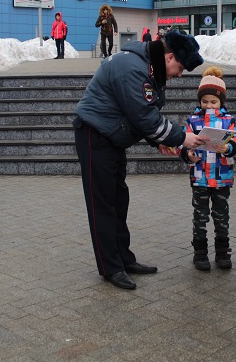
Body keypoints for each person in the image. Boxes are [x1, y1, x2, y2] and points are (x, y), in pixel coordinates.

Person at [73, 29, 207, 290]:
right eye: (180, 68)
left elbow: (143, 116)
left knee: (118, 200)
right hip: (95, 136)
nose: (180, 74)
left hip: (111, 137)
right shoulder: (133, 68)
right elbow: (145, 117)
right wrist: (183, 138)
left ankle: (123, 259)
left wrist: (164, 142)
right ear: (169, 57)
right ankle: (110, 267)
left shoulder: (148, 66)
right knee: (103, 205)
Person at [179, 66, 236, 271]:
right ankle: (200, 254)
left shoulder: (229, 120)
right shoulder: (192, 121)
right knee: (200, 217)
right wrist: (188, 154)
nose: (208, 105)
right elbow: (182, 143)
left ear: (221, 101)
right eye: (204, 101)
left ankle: (223, 253)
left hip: (222, 178)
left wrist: (228, 147)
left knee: (221, 216)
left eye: (213, 102)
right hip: (200, 178)